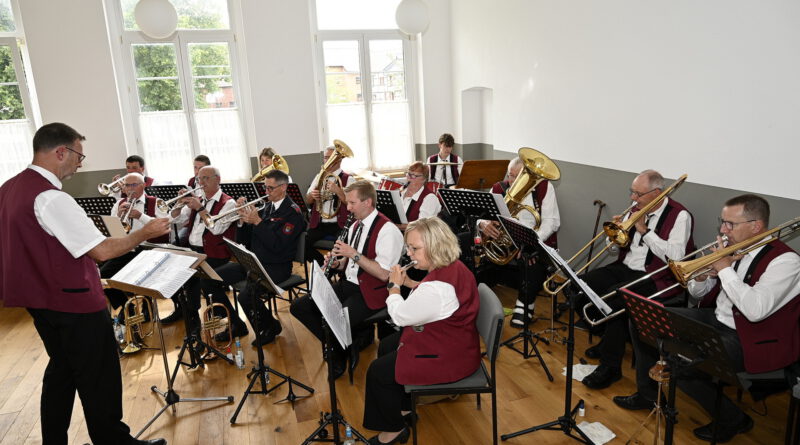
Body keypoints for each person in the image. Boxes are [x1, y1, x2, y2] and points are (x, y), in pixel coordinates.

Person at [0, 122, 169, 445]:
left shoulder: (9, 187)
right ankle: (114, 441)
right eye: (79, 155)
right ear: (60, 151)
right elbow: (102, 250)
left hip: (39, 300)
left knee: (61, 372)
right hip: (73, 302)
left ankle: (55, 440)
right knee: (99, 377)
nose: (81, 162)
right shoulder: (51, 198)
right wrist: (143, 233)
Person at [614, 194, 800, 443]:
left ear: (756, 226)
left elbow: (756, 310)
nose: (723, 230)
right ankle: (648, 394)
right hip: (716, 318)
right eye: (722, 222)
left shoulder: (786, 261)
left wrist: (724, 269)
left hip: (753, 337)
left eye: (729, 224)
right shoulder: (733, 249)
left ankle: (732, 419)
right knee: (644, 320)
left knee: (682, 364)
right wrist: (704, 277)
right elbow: (697, 294)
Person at [362, 217, 481, 445]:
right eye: (408, 247)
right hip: (459, 343)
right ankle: (405, 410)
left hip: (450, 358)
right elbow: (438, 299)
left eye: (415, 248)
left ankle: (393, 432)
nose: (409, 254)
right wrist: (409, 284)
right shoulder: (453, 266)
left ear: (436, 246)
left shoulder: (437, 288)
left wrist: (394, 286)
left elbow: (399, 316)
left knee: (378, 372)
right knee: (388, 345)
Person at [580, 170, 695, 390]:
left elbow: (677, 256)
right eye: (632, 192)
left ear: (657, 193)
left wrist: (643, 229)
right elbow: (615, 250)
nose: (633, 198)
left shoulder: (680, 215)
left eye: (638, 194)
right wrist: (614, 237)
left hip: (658, 276)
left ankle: (610, 367)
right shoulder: (634, 210)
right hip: (625, 267)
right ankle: (607, 340)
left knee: (615, 302)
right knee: (581, 286)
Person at [290, 180, 403, 379]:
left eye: (351, 203)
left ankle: (339, 353)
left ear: (367, 202)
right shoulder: (354, 226)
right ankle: (341, 347)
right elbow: (349, 265)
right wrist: (337, 264)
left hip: (373, 291)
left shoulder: (388, 230)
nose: (347, 207)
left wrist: (353, 254)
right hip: (349, 284)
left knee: (336, 320)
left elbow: (385, 274)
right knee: (299, 306)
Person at [204, 169, 306, 346]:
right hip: (254, 261)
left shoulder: (293, 213)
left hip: (277, 266)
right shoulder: (266, 206)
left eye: (270, 188)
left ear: (283, 187)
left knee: (246, 296)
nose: (266, 192)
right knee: (209, 279)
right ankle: (236, 324)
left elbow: (277, 246)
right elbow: (246, 242)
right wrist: (243, 220)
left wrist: (258, 222)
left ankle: (270, 327)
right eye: (265, 188)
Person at [478, 156, 560, 327]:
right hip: (504, 240)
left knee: (531, 258)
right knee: (475, 253)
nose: (512, 181)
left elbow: (552, 222)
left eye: (517, 176)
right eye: (510, 175)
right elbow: (482, 214)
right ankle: (476, 298)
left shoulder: (544, 187)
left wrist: (531, 241)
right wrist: (483, 223)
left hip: (533, 238)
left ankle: (525, 303)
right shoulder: (499, 188)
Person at [163, 166, 237, 330]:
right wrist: (177, 204)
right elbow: (174, 219)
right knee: (175, 275)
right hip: (194, 251)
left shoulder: (228, 203)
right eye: (198, 179)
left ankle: (231, 320)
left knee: (202, 281)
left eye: (205, 178)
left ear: (217, 179)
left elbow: (216, 229)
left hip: (215, 253)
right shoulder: (199, 199)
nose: (201, 183)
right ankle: (190, 315)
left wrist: (200, 208)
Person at [100, 172, 170, 313]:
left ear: (143, 185)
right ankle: (128, 309)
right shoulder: (118, 204)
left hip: (148, 249)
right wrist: (118, 216)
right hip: (126, 249)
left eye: (134, 185)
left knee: (142, 276)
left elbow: (165, 224)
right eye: (127, 185)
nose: (130, 188)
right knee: (103, 275)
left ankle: (148, 311)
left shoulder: (155, 202)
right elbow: (112, 232)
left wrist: (141, 216)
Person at [304, 145, 355, 265]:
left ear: (339, 160)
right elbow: (308, 200)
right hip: (320, 223)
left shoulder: (349, 179)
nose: (327, 161)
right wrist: (313, 195)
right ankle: (325, 266)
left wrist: (338, 190)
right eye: (325, 158)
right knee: (302, 245)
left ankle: (335, 267)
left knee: (341, 247)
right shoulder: (319, 176)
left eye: (330, 158)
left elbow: (352, 204)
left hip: (339, 224)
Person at [397, 161, 441, 231]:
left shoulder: (429, 198)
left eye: (414, 175)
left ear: (424, 179)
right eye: (409, 174)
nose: (409, 178)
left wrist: (394, 226)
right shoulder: (400, 193)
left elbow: (421, 226)